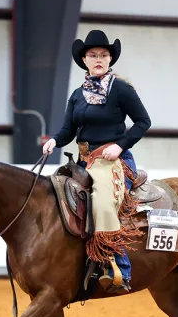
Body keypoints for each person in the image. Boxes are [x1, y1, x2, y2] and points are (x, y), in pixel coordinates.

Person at [43, 29, 151, 293]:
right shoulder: (78, 95)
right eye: (93, 55)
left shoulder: (121, 89)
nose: (99, 58)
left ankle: (119, 269)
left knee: (102, 201)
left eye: (104, 54)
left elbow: (143, 122)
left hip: (112, 159)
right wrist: (55, 141)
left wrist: (120, 145)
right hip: (83, 160)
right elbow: (68, 130)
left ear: (110, 59)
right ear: (85, 60)